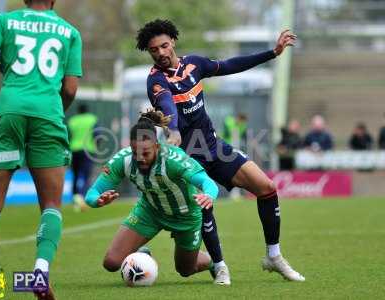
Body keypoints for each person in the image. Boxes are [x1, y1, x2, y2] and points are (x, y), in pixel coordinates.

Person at [136, 19, 304, 282]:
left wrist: (272, 53)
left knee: (267, 188)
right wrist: (174, 130)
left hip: (215, 148)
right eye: (154, 50)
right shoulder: (155, 80)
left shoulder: (194, 64)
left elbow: (228, 65)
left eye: (164, 46)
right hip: (187, 157)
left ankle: (273, 256)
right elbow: (166, 104)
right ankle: (220, 265)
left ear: (173, 41)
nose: (161, 53)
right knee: (200, 220)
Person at [0, 0, 82, 299]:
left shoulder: (4, 22)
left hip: (10, 110)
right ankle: (38, 273)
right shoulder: (69, 31)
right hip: (48, 114)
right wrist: (55, 110)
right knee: (51, 204)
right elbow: (70, 89)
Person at [85, 110, 219, 282]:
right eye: (135, 152)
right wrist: (97, 200)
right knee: (111, 262)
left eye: (146, 153)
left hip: (186, 217)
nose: (140, 158)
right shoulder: (123, 160)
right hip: (150, 212)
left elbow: (207, 183)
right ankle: (142, 253)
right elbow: (92, 193)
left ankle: (212, 261)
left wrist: (208, 195)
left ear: (157, 146)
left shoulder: (173, 160)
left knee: (185, 269)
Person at [68, 104, 98, 210]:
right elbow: (97, 134)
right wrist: (97, 146)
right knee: (86, 175)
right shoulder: (92, 119)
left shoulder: (73, 120)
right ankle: (83, 198)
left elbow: (68, 135)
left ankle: (75, 198)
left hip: (74, 149)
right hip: (87, 150)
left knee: (75, 175)